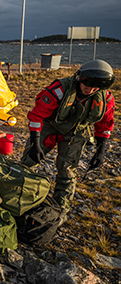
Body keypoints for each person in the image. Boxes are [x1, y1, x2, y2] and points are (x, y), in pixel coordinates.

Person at [21, 59, 115, 224]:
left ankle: (59, 210)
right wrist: (35, 143)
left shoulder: (105, 99)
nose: (90, 89)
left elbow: (105, 125)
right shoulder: (59, 90)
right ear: (80, 78)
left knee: (68, 171)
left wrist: (100, 152)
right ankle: (18, 196)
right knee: (27, 162)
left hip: (75, 133)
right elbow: (37, 116)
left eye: (96, 87)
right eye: (87, 84)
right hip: (49, 127)